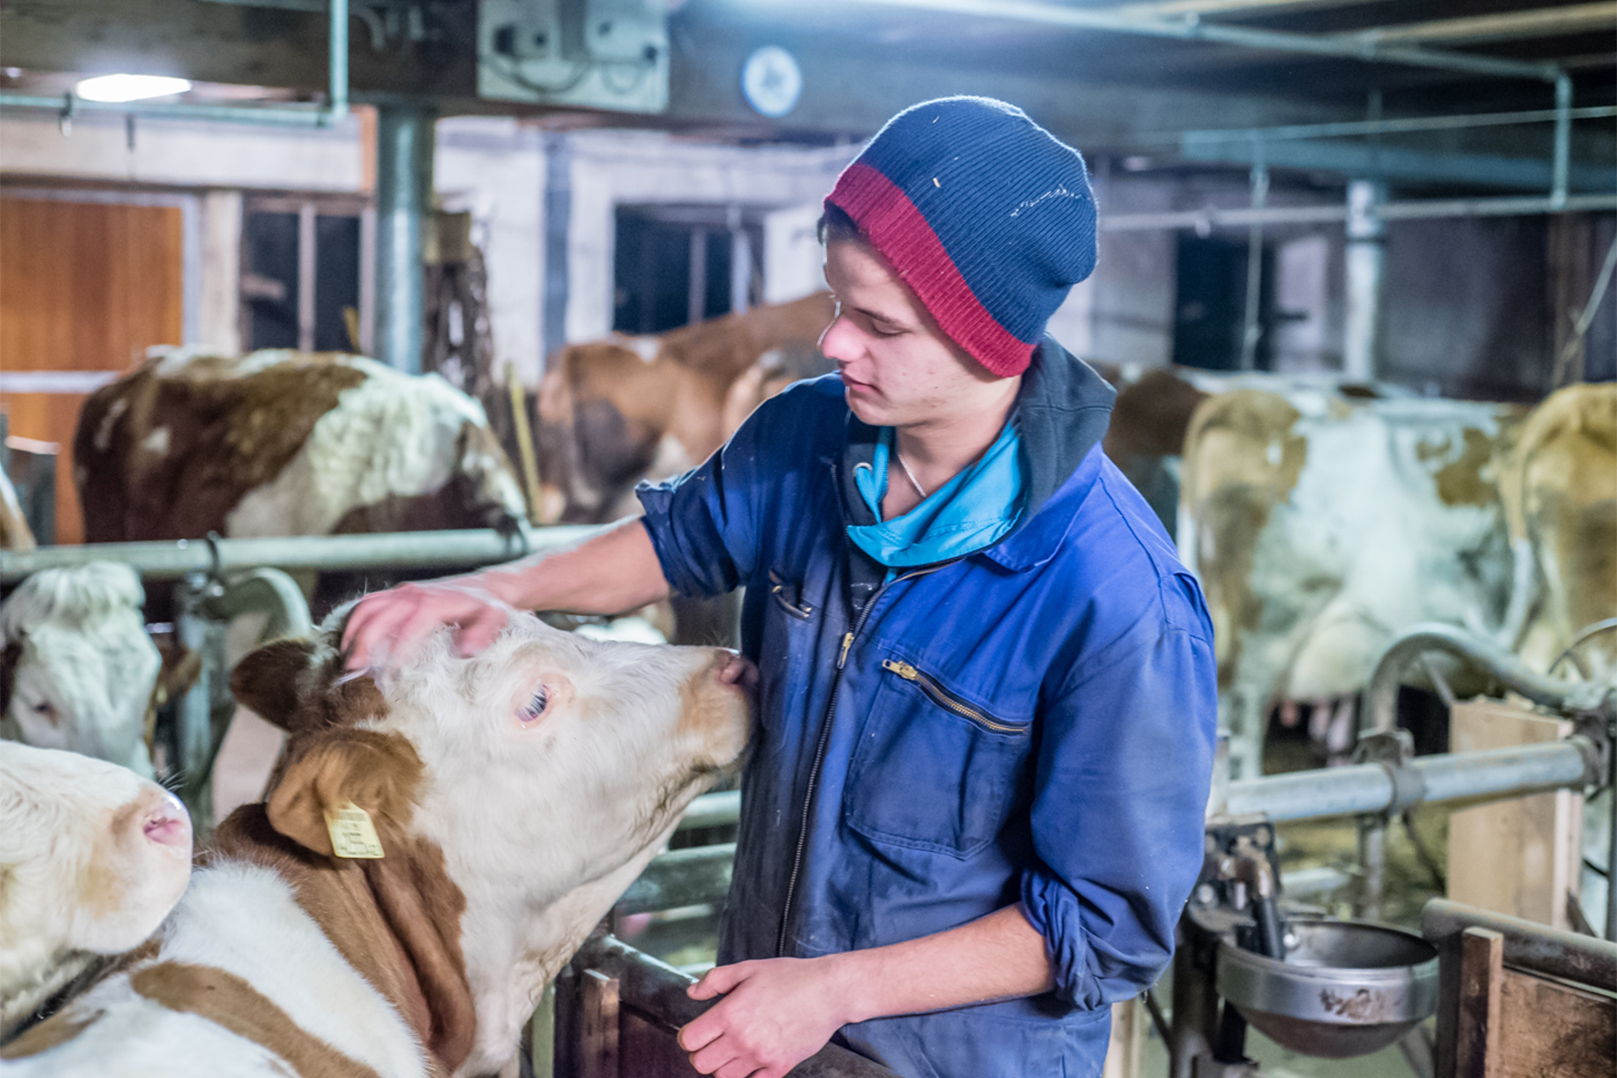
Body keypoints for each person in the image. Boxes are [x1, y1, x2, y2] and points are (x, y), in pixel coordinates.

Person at [345, 96, 1217, 1078]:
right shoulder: (809, 435)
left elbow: (1108, 926)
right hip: (765, 1025)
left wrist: (838, 989)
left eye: (877, 323)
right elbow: (674, 542)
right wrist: (498, 590)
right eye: (836, 305)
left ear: (987, 339)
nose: (835, 344)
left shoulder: (1115, 597)